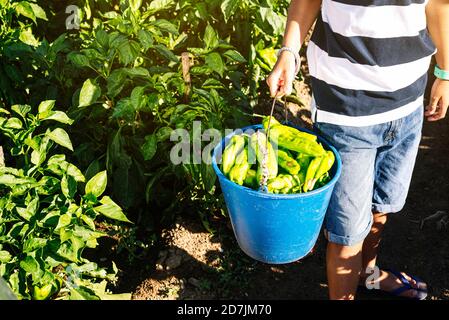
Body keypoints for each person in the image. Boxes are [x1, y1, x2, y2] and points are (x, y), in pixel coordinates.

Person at [267, 0, 449, 300]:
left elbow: (437, 5)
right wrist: (288, 51)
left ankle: (369, 275)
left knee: (381, 206)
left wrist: (444, 72)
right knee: (347, 232)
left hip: (408, 103)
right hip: (346, 110)